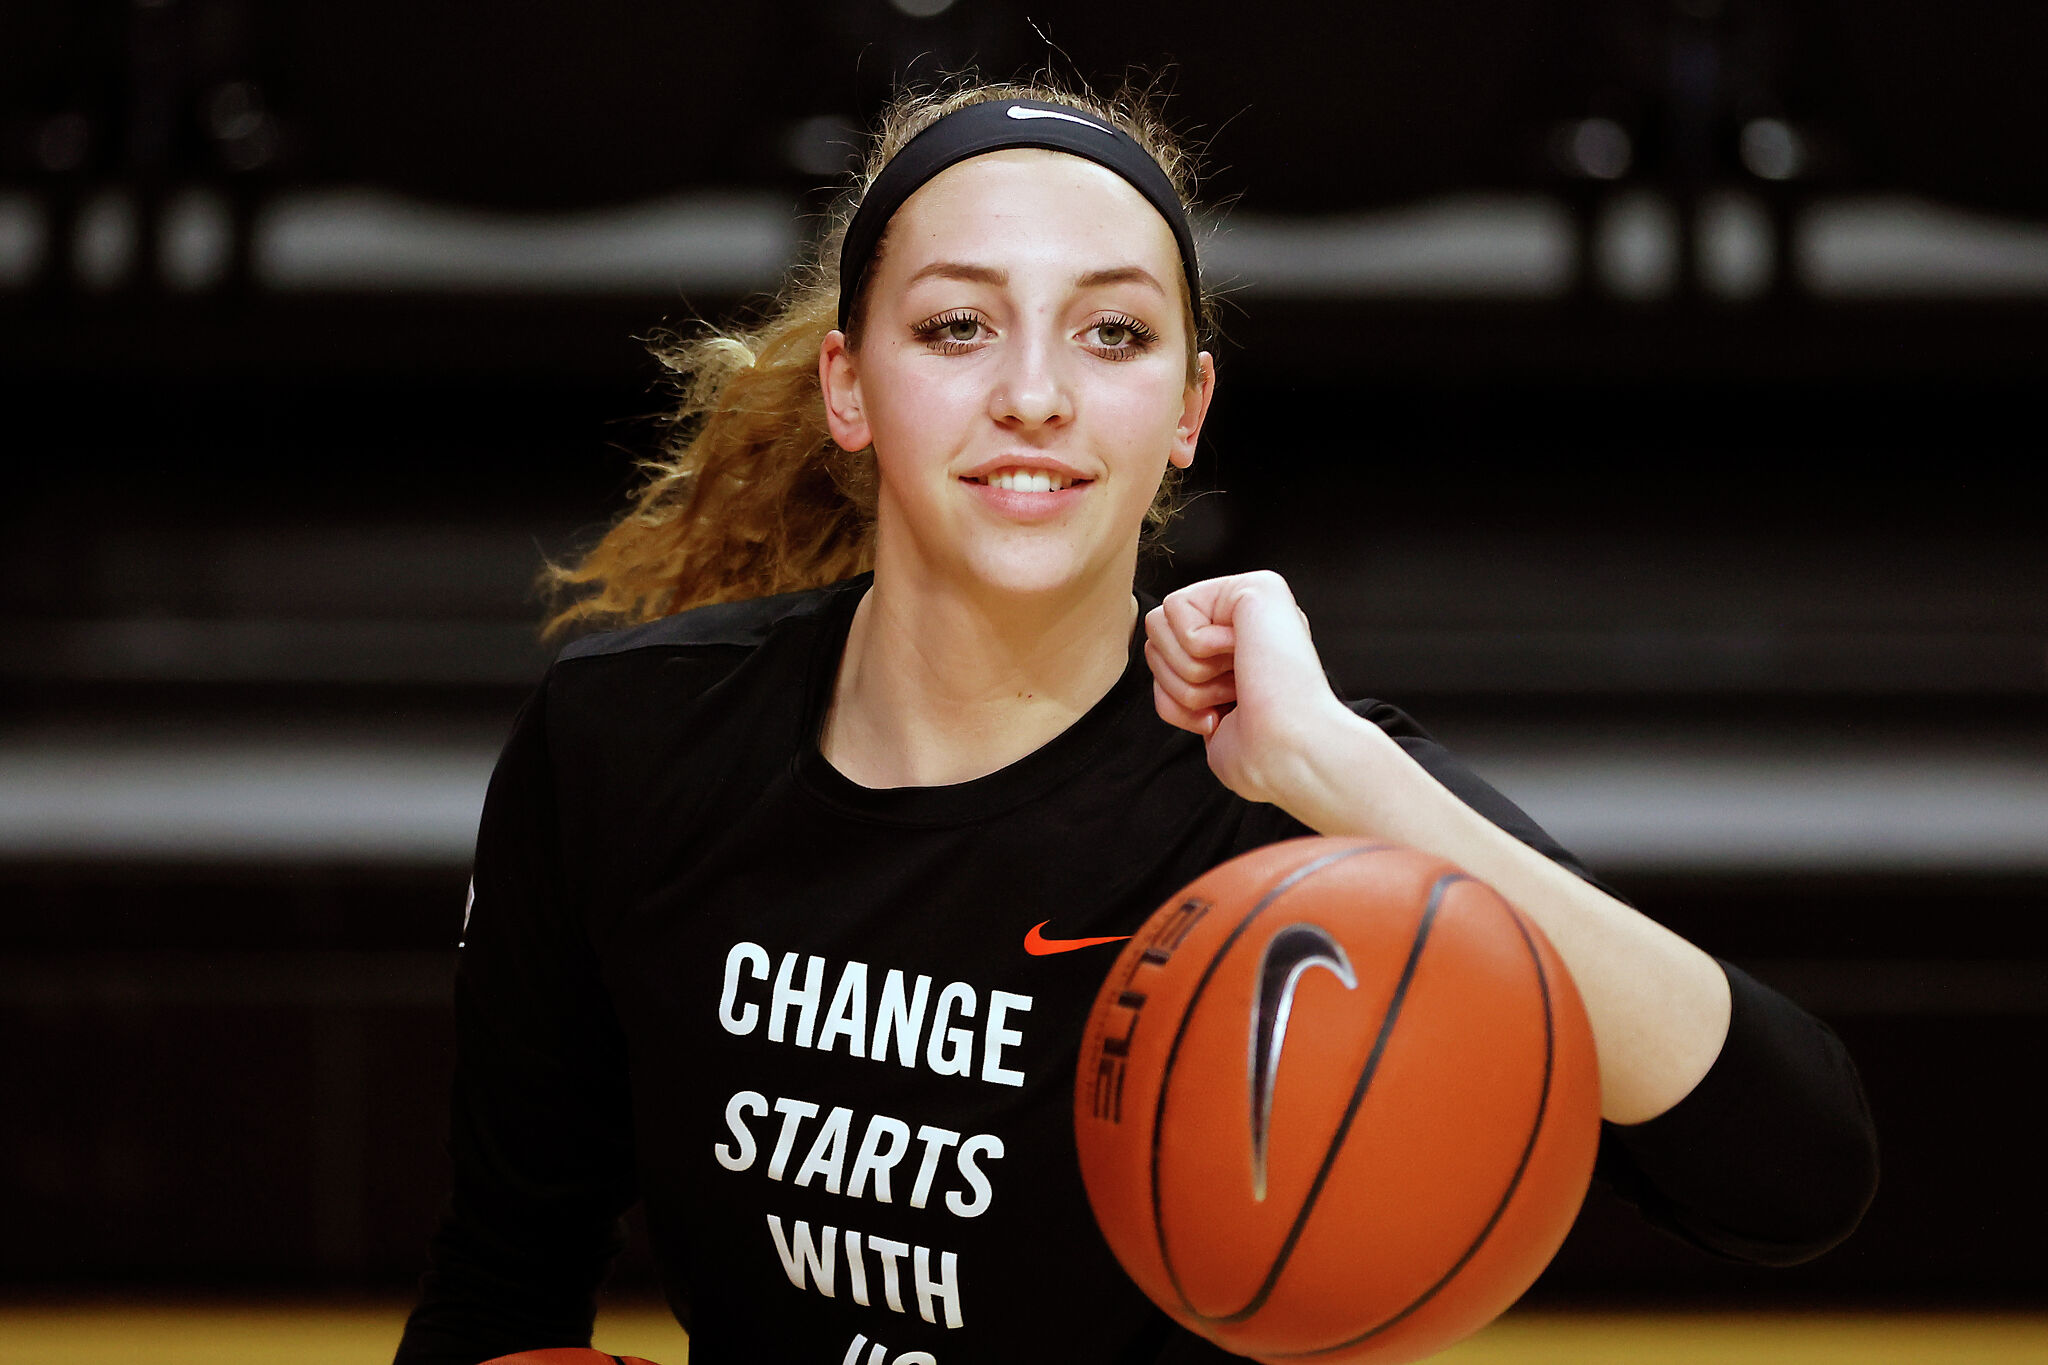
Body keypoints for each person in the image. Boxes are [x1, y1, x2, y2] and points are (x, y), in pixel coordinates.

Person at [394, 78, 1877, 1365]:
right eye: (959, 325)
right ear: (850, 386)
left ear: (1188, 407)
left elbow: (1798, 1171)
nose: (1034, 393)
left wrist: (1343, 769)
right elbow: (499, 1282)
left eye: (1111, 334)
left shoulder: (1288, 812)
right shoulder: (623, 744)